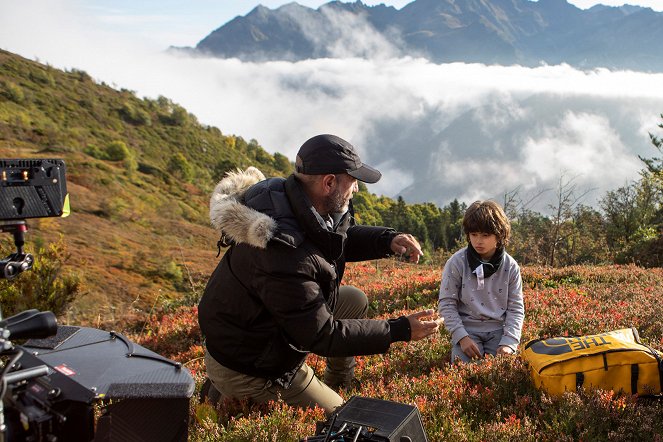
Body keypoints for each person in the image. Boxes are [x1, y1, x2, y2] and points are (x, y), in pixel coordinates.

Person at [198, 134, 441, 416]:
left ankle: (340, 380)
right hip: (253, 364)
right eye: (353, 180)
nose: (357, 189)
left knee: (354, 300)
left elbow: (336, 238)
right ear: (329, 183)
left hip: (263, 326)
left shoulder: (295, 200)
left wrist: (388, 240)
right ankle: (227, 392)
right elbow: (323, 335)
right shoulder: (283, 252)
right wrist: (401, 329)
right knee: (345, 419)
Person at [438, 200, 524, 363]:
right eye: (474, 234)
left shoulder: (510, 266)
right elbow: (446, 302)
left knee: (503, 376)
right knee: (462, 376)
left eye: (485, 235)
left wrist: (509, 343)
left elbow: (516, 307)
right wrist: (461, 337)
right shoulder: (457, 262)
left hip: (500, 332)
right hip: (466, 332)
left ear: (499, 235)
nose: (478, 241)